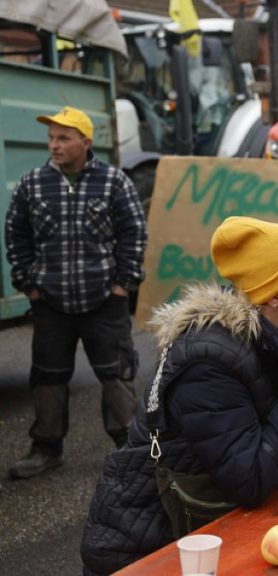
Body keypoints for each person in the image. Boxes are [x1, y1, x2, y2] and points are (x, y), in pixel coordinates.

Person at [80, 216, 278, 574]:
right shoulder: (207, 361)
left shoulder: (275, 340)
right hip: (150, 550)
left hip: (214, 532)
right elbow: (249, 479)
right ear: (274, 294)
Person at [4, 106, 148, 479]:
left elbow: (134, 232)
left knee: (116, 373)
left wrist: (122, 286)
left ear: (85, 142)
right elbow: (16, 235)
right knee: (48, 375)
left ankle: (129, 448)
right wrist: (29, 286)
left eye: (63, 138)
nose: (54, 145)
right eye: (51, 138)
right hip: (50, 302)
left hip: (103, 300)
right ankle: (46, 448)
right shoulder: (32, 184)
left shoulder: (114, 182)